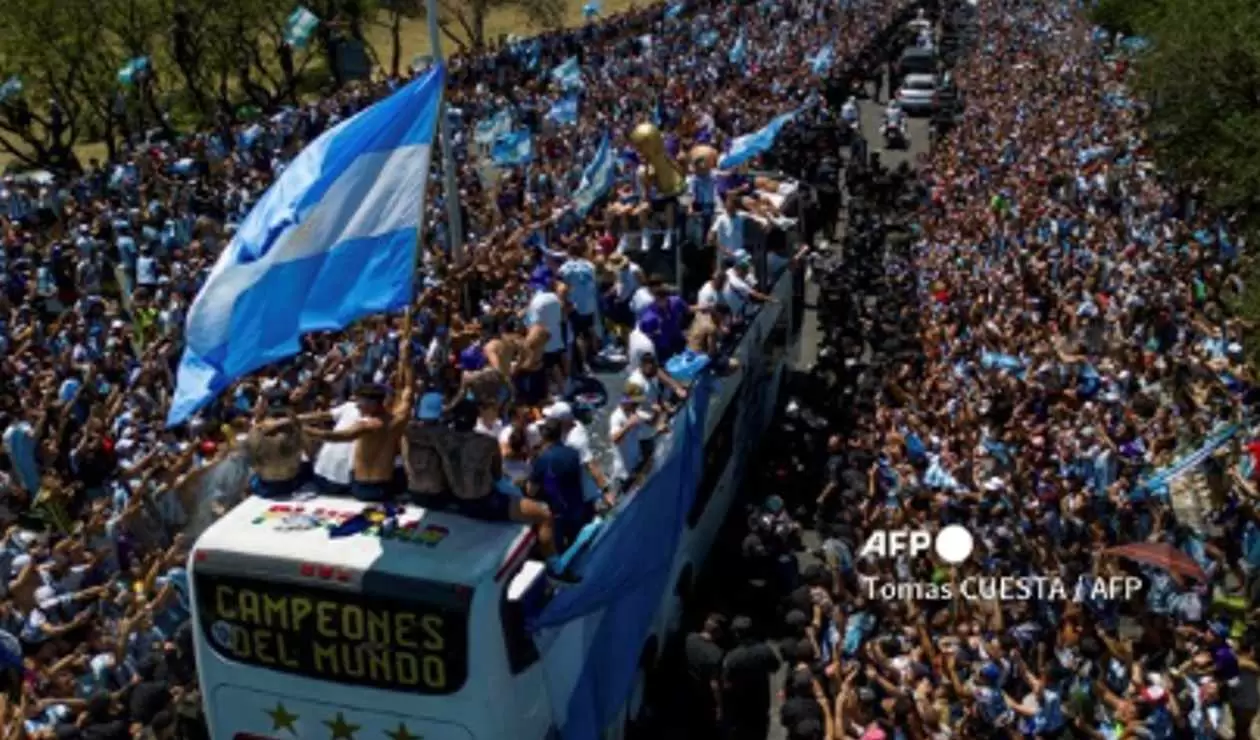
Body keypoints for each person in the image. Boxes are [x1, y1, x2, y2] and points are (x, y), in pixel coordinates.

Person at [527, 419, 592, 553]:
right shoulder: (573, 453)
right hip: (577, 508)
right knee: (581, 548)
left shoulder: (543, 460)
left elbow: (531, 491)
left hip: (557, 514)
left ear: (544, 436)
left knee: (561, 551)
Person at [720, 616, 781, 740]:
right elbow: (775, 667)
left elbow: (726, 684)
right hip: (761, 700)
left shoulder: (732, 657)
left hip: (741, 705)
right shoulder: (764, 650)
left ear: (737, 634)